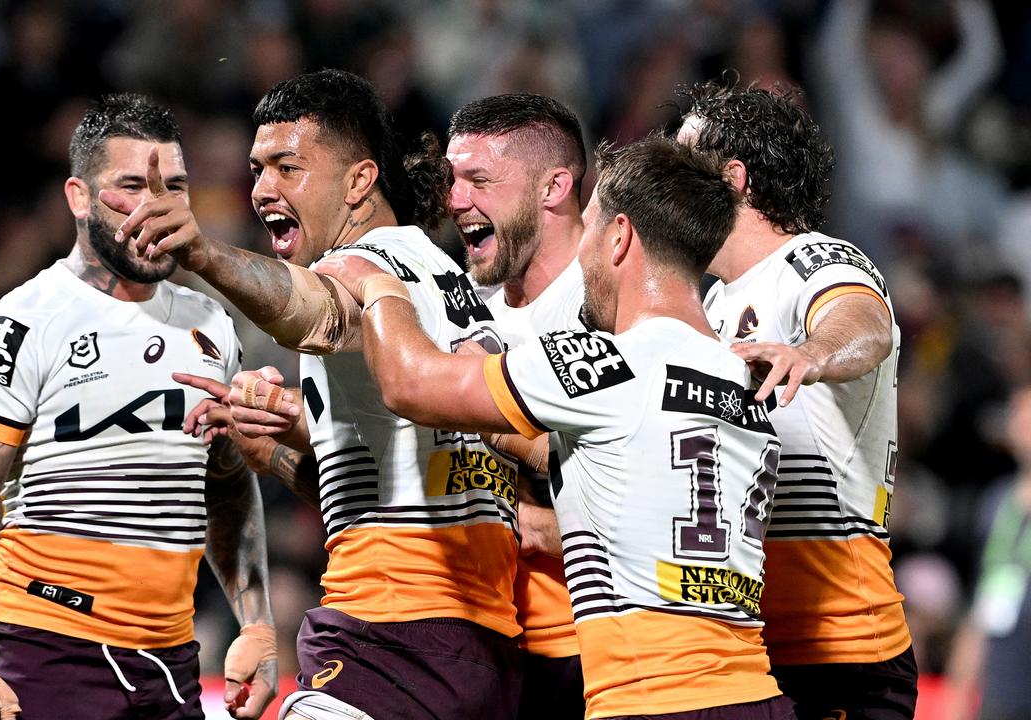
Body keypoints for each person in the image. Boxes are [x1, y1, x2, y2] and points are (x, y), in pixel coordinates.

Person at [318, 136, 795, 719]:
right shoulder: (742, 376)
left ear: (619, 237)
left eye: (591, 229)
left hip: (652, 702)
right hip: (755, 695)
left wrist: (376, 285)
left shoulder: (608, 363)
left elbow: (410, 384)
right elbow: (626, 490)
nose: (583, 256)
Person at [110, 69, 523, 720]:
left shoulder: (361, 267)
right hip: (476, 649)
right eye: (257, 170)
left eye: (288, 168)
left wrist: (201, 253)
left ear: (359, 180)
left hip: (389, 635)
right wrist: (275, 441)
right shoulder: (445, 277)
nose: (263, 189)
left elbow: (316, 310)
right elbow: (391, 483)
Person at [0, 94, 277, 720]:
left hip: (172, 659)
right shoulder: (16, 327)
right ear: (78, 198)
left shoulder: (212, 326)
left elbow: (224, 483)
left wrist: (256, 624)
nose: (156, 206)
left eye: (173, 187)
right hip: (48, 651)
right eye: (130, 186)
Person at [677, 79, 915, 719]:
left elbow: (863, 323)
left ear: (733, 179)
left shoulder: (815, 259)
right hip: (756, 642)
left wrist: (812, 354)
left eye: (683, 164)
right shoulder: (717, 300)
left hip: (842, 646)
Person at [446, 92, 587, 719]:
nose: (455, 200)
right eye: (452, 179)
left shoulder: (618, 304)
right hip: (480, 643)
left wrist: (551, 532)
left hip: (587, 656)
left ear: (555, 186)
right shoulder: (465, 313)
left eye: (479, 179)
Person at [947, 384, 1031, 720]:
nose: (1025, 422)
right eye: (1020, 414)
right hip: (999, 691)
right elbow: (981, 601)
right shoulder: (996, 503)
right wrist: (958, 694)